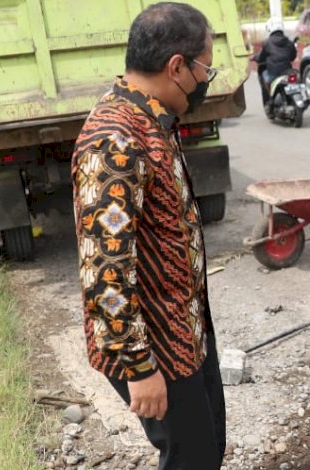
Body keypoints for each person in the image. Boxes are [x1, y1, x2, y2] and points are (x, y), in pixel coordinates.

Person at [71, 3, 225, 469]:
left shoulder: (151, 118)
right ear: (176, 67)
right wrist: (139, 368)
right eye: (205, 70)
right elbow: (105, 272)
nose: (206, 81)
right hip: (155, 347)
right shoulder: (116, 139)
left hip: (183, 332)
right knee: (190, 458)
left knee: (206, 449)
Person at [254, 19, 297, 117]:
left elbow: (261, 57)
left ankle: (269, 101)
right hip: (288, 71)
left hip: (274, 73)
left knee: (264, 75)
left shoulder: (267, 43)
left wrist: (255, 58)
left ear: (269, 28)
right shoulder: (289, 42)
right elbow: (293, 56)